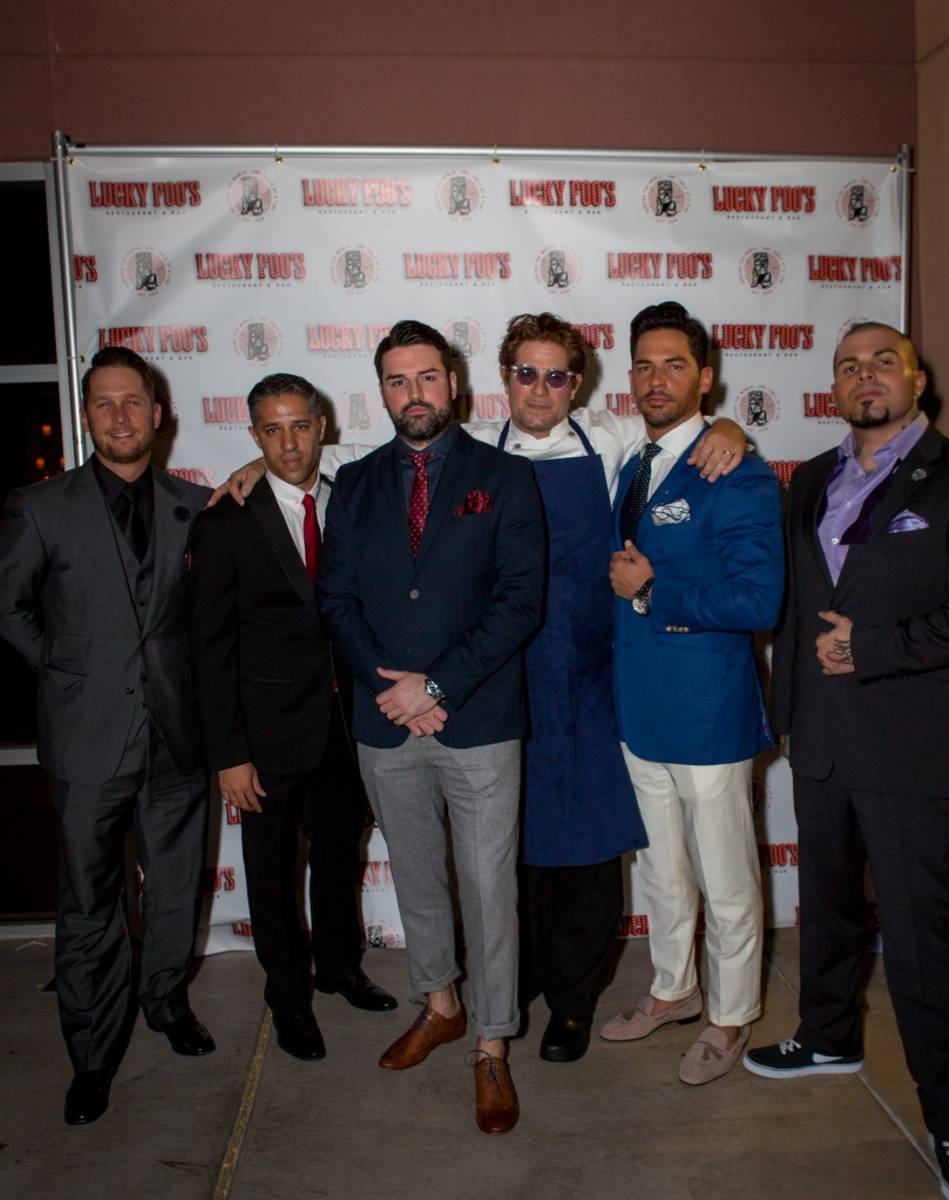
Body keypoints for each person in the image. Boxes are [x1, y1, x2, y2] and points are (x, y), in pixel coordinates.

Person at [217, 315, 747, 1063]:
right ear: (502, 381)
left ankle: (571, 1005)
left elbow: (680, 438)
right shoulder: (458, 450)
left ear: (576, 384)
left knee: (588, 853)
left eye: (555, 376)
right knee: (510, 862)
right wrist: (251, 466)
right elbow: (311, 460)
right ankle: (510, 993)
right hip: (492, 683)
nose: (540, 389)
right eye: (526, 374)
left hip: (583, 682)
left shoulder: (610, 445)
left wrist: (729, 427)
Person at [743, 323, 949, 1200]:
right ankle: (827, 1035)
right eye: (847, 366)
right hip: (821, 738)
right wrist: (788, 717)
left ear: (916, 378)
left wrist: (874, 647)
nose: (864, 376)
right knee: (826, 905)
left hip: (911, 744)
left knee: (921, 937)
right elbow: (796, 609)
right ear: (833, 387)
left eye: (882, 362)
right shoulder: (810, 479)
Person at [316, 320, 546, 1134]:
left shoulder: (505, 478)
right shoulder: (353, 483)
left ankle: (490, 1042)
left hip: (477, 717)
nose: (412, 393)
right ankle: (440, 1004)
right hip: (385, 722)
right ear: (381, 392)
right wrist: (394, 692)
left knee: (487, 887)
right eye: (395, 380)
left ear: (452, 383)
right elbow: (336, 598)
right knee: (415, 875)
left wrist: (436, 685)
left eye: (425, 377)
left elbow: (520, 600)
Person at [0, 347, 214, 1126]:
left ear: (159, 414)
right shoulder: (39, 507)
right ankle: (92, 1054)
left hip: (176, 737)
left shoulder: (196, 507)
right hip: (87, 737)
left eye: (134, 402)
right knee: (90, 899)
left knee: (176, 886)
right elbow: (10, 608)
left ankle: (165, 1000)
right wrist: (69, 671)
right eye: (104, 403)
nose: (120, 417)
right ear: (85, 416)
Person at [187, 373, 396, 1063]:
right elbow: (210, 648)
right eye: (272, 431)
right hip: (267, 735)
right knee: (272, 873)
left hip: (348, 724)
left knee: (338, 857)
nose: (288, 443)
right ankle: (287, 996)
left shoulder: (351, 503)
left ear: (321, 427)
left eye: (299, 426)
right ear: (254, 436)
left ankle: (338, 968)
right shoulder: (224, 523)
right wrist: (229, 754)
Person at [601, 301, 784, 1087]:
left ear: (704, 377)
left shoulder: (736, 471)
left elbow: (758, 600)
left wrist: (652, 592)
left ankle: (731, 1014)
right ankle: (673, 989)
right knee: (661, 870)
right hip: (638, 707)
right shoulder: (631, 461)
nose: (655, 379)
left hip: (707, 712)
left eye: (673, 364)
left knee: (725, 878)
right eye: (643, 365)